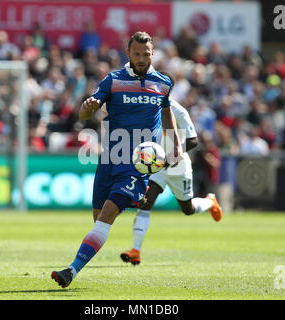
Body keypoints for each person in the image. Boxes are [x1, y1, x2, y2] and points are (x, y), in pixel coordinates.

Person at [51, 31, 182, 288]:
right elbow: (88, 108)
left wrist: (174, 142)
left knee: (107, 215)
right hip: (110, 159)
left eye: (146, 54)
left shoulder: (163, 83)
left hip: (138, 164)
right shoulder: (113, 80)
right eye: (137, 54)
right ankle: (128, 204)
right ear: (128, 54)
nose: (142, 58)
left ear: (152, 54)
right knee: (99, 217)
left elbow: (167, 112)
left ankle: (71, 271)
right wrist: (88, 107)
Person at [120, 98, 223, 265]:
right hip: (156, 167)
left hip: (178, 167)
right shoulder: (148, 106)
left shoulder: (179, 111)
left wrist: (172, 155)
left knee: (187, 209)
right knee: (145, 204)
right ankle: (135, 250)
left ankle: (210, 202)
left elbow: (193, 141)